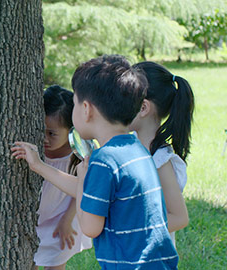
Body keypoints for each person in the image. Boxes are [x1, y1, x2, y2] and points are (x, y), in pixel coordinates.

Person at [12, 55, 178, 269]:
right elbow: (92, 192)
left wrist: (82, 179)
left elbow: (90, 226)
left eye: (74, 104)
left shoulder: (105, 160)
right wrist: (39, 166)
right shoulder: (135, 149)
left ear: (87, 109)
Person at [130, 61, 193, 246]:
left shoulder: (159, 160)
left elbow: (179, 217)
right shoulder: (131, 145)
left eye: (123, 99)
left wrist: (132, 228)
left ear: (143, 108)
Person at [33, 85, 92, 269]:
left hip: (62, 220)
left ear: (70, 131)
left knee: (56, 262)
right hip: (35, 221)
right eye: (41, 130)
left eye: (52, 133)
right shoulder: (36, 152)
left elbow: (82, 190)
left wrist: (67, 221)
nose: (45, 139)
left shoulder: (78, 155)